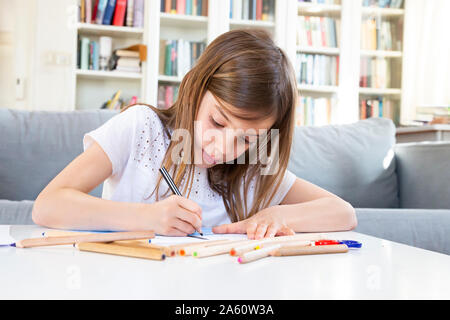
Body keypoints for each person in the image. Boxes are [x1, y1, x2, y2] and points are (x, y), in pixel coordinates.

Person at [32, 29, 356, 239]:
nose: (224, 148)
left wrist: (275, 215)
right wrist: (148, 218)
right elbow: (47, 206)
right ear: (196, 89)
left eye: (247, 139)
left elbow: (343, 213)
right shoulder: (141, 128)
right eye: (218, 121)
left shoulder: (252, 166)